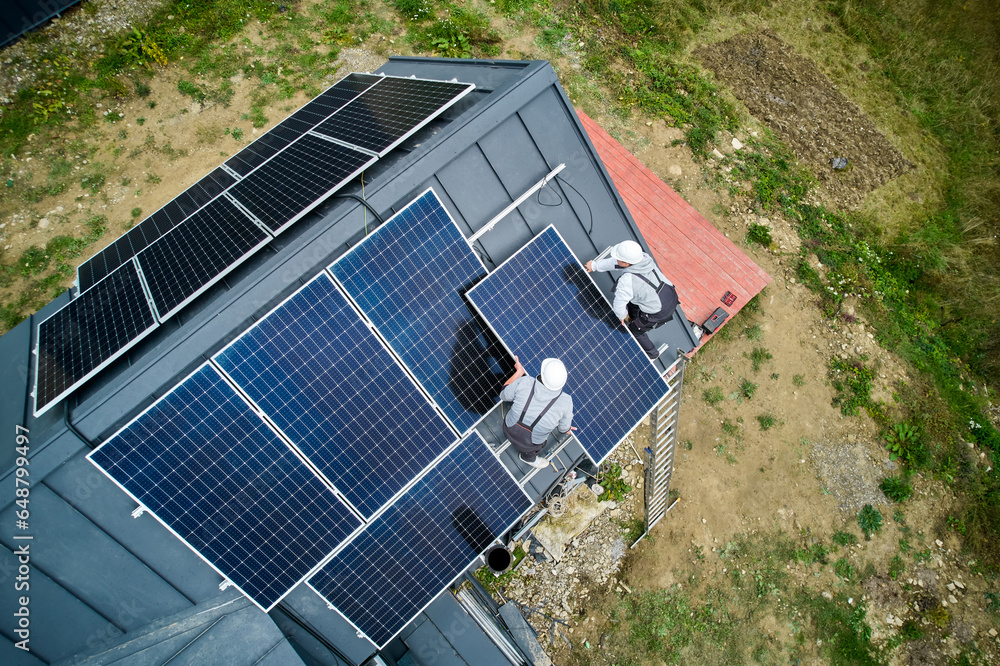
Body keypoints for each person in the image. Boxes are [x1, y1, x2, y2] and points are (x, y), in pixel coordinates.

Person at [586, 240, 679, 360]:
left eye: (619, 259)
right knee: (634, 303)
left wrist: (623, 317)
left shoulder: (627, 280)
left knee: (636, 331)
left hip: (659, 311)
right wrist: (595, 265)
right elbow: (616, 263)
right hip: (670, 295)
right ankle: (636, 313)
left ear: (626, 263)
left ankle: (652, 354)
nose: (616, 260)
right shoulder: (644, 258)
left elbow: (619, 305)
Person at [500, 356, 575, 469]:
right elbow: (563, 429)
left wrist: (519, 372)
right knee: (536, 445)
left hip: (507, 429)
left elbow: (503, 395)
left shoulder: (525, 382)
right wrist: (567, 429)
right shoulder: (566, 402)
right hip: (530, 445)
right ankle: (528, 458)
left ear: (543, 373)